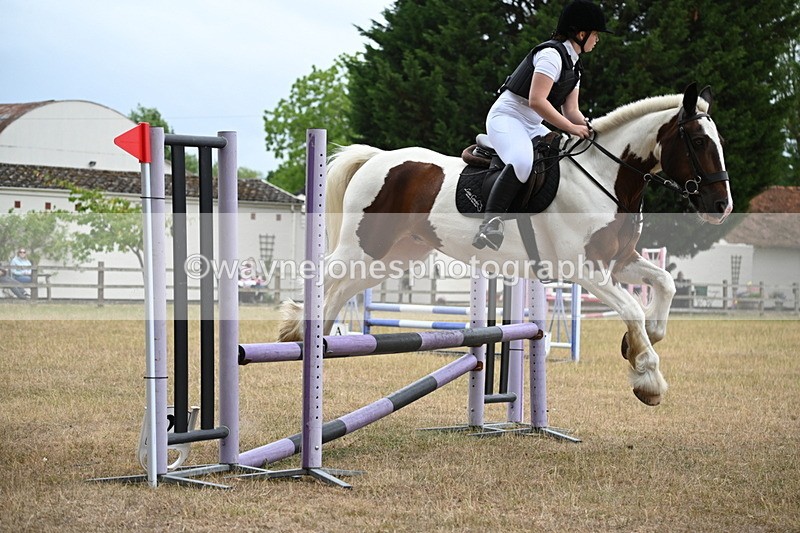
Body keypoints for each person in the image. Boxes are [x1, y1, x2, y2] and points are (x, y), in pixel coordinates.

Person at [473, 0, 612, 251]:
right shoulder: (551, 56)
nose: (597, 39)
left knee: (563, 157)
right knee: (523, 162)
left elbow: (572, 111)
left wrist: (591, 129)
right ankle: (490, 224)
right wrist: (571, 129)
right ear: (581, 34)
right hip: (508, 117)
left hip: (532, 124)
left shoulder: (575, 66)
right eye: (595, 34)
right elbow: (537, 101)